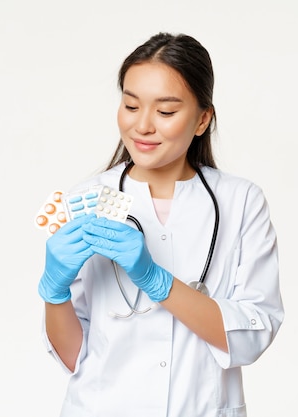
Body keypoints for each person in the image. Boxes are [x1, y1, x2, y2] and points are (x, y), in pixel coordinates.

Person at [38, 32, 284, 417]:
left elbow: (253, 333)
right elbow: (73, 358)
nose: (143, 126)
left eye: (166, 112)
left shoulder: (241, 202)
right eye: (131, 105)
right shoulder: (86, 198)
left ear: (203, 119)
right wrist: (54, 293)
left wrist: (157, 281)